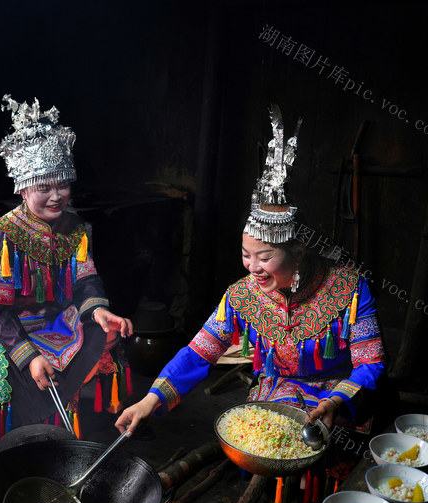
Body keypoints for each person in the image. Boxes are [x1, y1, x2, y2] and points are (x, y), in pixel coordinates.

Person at [116, 106, 385, 436]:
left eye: (265, 256)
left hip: (337, 394)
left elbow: (370, 363)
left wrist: (335, 401)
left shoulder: (349, 289)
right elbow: (199, 352)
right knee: (261, 436)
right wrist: (150, 400)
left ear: (298, 252)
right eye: (246, 255)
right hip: (276, 394)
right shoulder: (241, 296)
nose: (252, 268)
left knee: (326, 444)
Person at [0, 95, 132, 437]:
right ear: (23, 189)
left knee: (106, 331)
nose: (56, 196)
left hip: (59, 314)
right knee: (8, 351)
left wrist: (99, 312)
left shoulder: (75, 226)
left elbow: (86, 279)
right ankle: (36, 431)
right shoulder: (2, 233)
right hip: (10, 322)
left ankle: (96, 420)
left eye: (63, 184)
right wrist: (29, 356)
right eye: (44, 187)